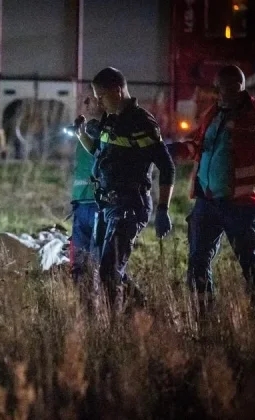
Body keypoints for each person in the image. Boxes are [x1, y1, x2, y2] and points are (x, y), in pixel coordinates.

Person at [167, 65, 255, 328]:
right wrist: (174, 149)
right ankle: (205, 321)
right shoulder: (213, 114)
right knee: (197, 262)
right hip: (208, 203)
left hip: (242, 206)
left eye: (235, 86)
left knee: (251, 265)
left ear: (242, 86)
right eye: (224, 87)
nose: (229, 92)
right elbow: (198, 145)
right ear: (217, 88)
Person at [76, 67, 175, 313]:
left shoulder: (141, 121)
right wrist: (81, 135)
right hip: (110, 205)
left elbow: (167, 167)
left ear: (118, 91)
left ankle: (119, 328)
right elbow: (100, 152)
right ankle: (145, 314)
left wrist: (163, 208)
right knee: (109, 268)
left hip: (132, 205)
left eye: (102, 96)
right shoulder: (111, 119)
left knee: (109, 271)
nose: (99, 102)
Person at [69, 111, 100, 285]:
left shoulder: (83, 143)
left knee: (83, 260)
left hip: (84, 204)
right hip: (92, 205)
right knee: (95, 259)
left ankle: (86, 298)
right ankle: (91, 299)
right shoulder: (101, 142)